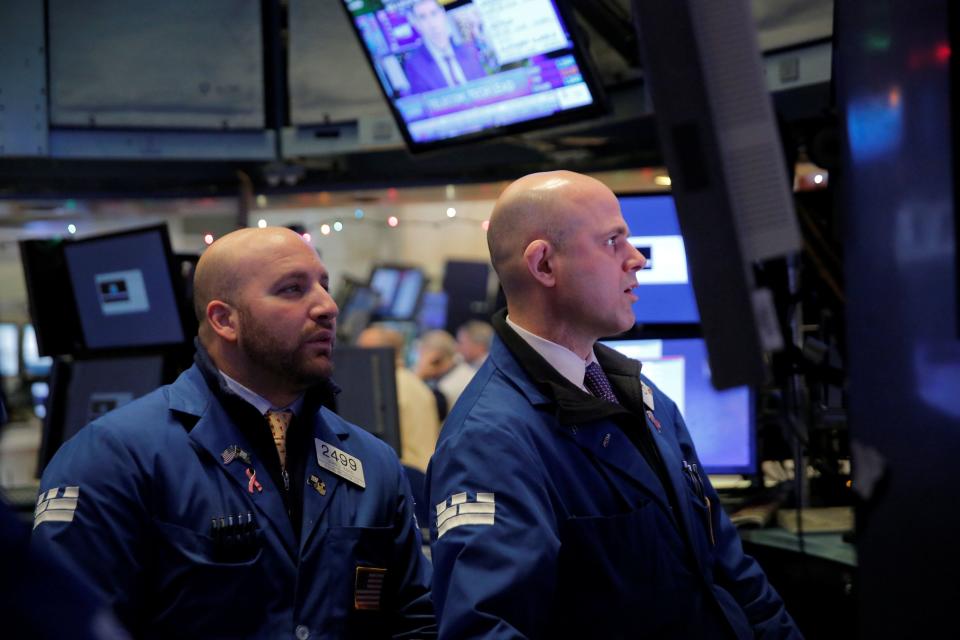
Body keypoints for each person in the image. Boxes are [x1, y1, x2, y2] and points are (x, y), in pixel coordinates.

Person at [426, 171, 802, 638]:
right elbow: (484, 631)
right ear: (544, 265)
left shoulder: (642, 396)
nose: (637, 259)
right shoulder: (488, 441)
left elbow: (730, 568)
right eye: (612, 241)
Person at [31, 227, 436, 639]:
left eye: (324, 286)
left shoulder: (373, 462)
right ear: (224, 319)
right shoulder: (113, 457)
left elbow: (413, 622)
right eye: (293, 289)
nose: (327, 306)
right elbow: (68, 624)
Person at [356, 325, 441, 473]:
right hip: (424, 474)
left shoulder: (383, 388)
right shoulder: (415, 382)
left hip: (406, 474)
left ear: (378, 352)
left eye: (363, 349)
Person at [402, 0, 487, 94]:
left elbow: (485, 87)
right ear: (416, 24)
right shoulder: (414, 64)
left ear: (442, 14)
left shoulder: (468, 50)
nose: (431, 22)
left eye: (434, 13)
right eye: (423, 17)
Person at [415, 329, 476, 416]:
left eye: (422, 355)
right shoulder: (463, 370)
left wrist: (419, 374)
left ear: (435, 358)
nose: (420, 360)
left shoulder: (448, 388)